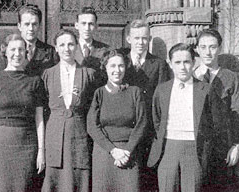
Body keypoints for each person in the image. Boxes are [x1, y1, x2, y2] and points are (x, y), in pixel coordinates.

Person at [148, 43, 213, 192]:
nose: (182, 67)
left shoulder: (205, 89)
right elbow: (157, 120)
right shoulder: (162, 89)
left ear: (194, 63)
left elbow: (213, 123)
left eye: (186, 62)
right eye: (177, 62)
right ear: (170, 64)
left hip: (194, 150)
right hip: (168, 148)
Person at [0, 34, 45, 192]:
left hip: (27, 143)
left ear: (26, 52)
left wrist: (41, 151)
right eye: (13, 49)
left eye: (21, 49)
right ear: (5, 51)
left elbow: (39, 118)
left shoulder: (35, 81)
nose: (17, 53)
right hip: (1, 143)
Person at [41, 29, 97, 192]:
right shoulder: (48, 74)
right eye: (62, 45)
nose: (67, 48)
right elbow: (43, 108)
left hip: (79, 136)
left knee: (78, 180)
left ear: (76, 46)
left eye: (71, 44)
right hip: (55, 136)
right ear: (56, 48)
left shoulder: (88, 74)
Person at [87, 49, 147, 191]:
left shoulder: (135, 92)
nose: (117, 70)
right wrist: (113, 150)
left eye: (121, 66)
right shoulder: (99, 93)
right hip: (105, 153)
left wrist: (127, 151)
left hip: (129, 155)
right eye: (112, 66)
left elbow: (142, 123)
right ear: (105, 68)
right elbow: (92, 126)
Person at [122, 19, 171, 190]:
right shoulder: (120, 63)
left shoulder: (159, 64)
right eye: (137, 38)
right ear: (129, 39)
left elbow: (163, 100)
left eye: (145, 38)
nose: (141, 42)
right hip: (125, 130)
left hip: (148, 131)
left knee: (147, 177)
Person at [193, 28, 239, 190]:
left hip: (222, 148)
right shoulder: (190, 76)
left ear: (219, 48)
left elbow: (237, 113)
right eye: (203, 47)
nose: (208, 52)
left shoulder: (230, 78)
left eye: (212, 47)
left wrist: (236, 145)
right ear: (197, 49)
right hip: (195, 149)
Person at [0, 4, 56, 76]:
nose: (31, 29)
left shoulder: (50, 52)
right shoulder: (6, 51)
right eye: (27, 24)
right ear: (19, 26)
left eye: (34, 24)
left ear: (39, 26)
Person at [74, 7, 109, 86]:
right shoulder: (69, 49)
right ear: (76, 25)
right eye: (83, 23)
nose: (87, 28)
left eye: (91, 24)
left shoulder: (105, 50)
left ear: (96, 26)